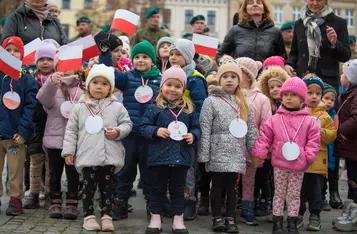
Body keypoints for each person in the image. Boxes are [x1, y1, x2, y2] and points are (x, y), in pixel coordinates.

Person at [62, 64, 133, 231]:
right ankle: (89, 217)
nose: (99, 87)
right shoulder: (80, 107)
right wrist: (69, 151)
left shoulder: (116, 106)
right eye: (95, 82)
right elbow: (71, 131)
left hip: (110, 156)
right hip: (88, 156)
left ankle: (107, 216)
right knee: (88, 187)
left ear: (110, 87)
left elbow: (127, 124)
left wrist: (117, 132)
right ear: (88, 85)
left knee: (108, 188)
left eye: (104, 83)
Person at [98, 40, 162, 220]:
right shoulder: (128, 78)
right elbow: (109, 72)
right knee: (125, 171)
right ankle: (120, 203)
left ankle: (152, 205)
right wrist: (105, 54)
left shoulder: (161, 79)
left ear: (152, 60)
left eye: (145, 57)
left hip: (151, 136)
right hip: (129, 134)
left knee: (149, 173)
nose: (141, 60)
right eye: (137, 57)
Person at [252, 77, 321, 234]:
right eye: (286, 94)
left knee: (294, 195)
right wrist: (259, 154)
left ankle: (292, 222)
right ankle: (277, 223)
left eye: (294, 95)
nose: (289, 98)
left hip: (298, 165)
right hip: (280, 164)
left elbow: (314, 141)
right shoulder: (275, 119)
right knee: (279, 194)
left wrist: (307, 157)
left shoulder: (309, 121)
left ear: (302, 98)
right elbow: (264, 138)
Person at [139, 65, 201, 234]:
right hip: (158, 158)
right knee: (156, 189)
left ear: (183, 89)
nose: (172, 89)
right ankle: (155, 218)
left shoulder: (188, 109)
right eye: (169, 85)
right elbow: (142, 126)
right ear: (162, 86)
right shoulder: (154, 107)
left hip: (180, 158)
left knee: (178, 190)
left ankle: (178, 219)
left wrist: (193, 136)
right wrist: (155, 131)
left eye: (177, 86)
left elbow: (196, 127)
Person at [199, 61, 257, 233]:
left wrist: (255, 152)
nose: (229, 80)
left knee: (232, 187)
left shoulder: (246, 103)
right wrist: (204, 154)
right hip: (217, 150)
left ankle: (230, 218)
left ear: (239, 80)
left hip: (236, 152)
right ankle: (217, 217)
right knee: (217, 186)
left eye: (233, 77)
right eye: (225, 76)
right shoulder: (211, 101)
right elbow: (205, 127)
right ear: (219, 79)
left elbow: (251, 129)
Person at [36, 48, 84, 219]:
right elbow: (43, 99)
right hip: (54, 139)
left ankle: (72, 202)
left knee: (73, 173)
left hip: (74, 141)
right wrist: (50, 82)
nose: (65, 69)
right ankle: (55, 201)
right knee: (55, 172)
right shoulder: (53, 85)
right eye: (60, 65)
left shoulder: (81, 88)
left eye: (69, 65)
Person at [169, 39, 207, 220]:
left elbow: (200, 107)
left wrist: (194, 130)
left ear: (187, 56)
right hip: (169, 131)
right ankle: (173, 201)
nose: (174, 58)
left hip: (187, 132)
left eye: (178, 54)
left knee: (188, 169)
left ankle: (188, 201)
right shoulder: (167, 75)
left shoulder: (195, 78)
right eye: (171, 54)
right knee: (170, 167)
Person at [0, 36, 38, 215]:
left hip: (15, 135)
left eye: (16, 51)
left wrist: (24, 131)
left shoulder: (26, 78)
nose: (12, 54)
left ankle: (15, 199)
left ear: (22, 55)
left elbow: (31, 107)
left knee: (15, 169)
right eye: (8, 50)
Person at [297, 75, 336, 231]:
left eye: (317, 93)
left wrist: (319, 132)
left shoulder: (325, 115)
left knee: (316, 191)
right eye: (309, 92)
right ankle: (297, 214)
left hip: (318, 162)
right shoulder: (298, 111)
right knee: (298, 190)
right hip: (299, 160)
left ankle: (315, 215)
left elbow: (332, 134)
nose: (314, 96)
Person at [285, 0, 351, 92]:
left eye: (319, 0)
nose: (315, 3)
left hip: (327, 84)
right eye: (311, 0)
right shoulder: (299, 23)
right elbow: (294, 53)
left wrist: (335, 43)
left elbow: (346, 56)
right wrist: (288, 64)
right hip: (303, 80)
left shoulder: (339, 22)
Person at [236, 57, 272, 226]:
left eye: (239, 72)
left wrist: (262, 149)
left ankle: (247, 207)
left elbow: (266, 126)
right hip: (231, 146)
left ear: (249, 75)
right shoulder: (229, 94)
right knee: (229, 179)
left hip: (251, 146)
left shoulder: (261, 99)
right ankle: (230, 207)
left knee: (249, 180)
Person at [24, 41, 56, 210]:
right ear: (36, 62)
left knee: (51, 161)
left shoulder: (58, 79)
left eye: (49, 59)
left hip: (54, 126)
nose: (45, 62)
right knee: (35, 160)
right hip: (36, 126)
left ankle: (51, 193)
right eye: (41, 59)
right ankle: (33, 193)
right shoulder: (31, 80)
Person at [216, 0, 285, 62]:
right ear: (245, 9)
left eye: (259, 3)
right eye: (250, 3)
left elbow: (283, 58)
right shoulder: (235, 30)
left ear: (264, 9)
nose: (255, 4)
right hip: (241, 75)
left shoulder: (275, 32)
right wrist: (228, 66)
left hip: (266, 75)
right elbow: (219, 55)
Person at [333, 59, 357, 232]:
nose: (342, 76)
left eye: (344, 73)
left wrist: (340, 130)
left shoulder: (355, 94)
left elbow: (356, 118)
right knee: (352, 180)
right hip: (350, 146)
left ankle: (354, 215)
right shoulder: (350, 93)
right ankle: (351, 210)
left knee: (355, 180)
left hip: (353, 145)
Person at [1, 0, 67, 45]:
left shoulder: (55, 22)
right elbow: (7, 47)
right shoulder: (15, 18)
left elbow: (64, 46)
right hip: (22, 65)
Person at [321, 83, 343, 210]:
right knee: (321, 175)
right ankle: (321, 196)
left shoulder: (335, 115)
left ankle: (334, 194)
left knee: (333, 173)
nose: (329, 102)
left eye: (332, 100)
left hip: (333, 150)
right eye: (326, 98)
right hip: (322, 150)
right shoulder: (319, 114)